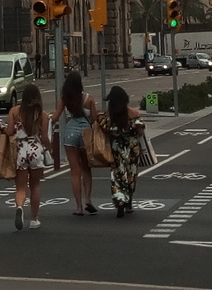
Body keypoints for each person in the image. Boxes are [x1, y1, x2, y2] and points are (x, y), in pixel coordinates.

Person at [5, 82, 52, 230]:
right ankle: (34, 219)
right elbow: (44, 137)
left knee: (20, 187)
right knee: (35, 185)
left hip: (20, 150)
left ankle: (19, 207)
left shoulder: (14, 111)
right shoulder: (43, 115)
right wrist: (50, 149)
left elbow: (10, 132)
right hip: (35, 150)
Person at [54, 70, 101, 217]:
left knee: (75, 172)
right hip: (85, 134)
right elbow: (94, 119)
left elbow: (56, 116)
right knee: (86, 169)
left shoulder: (65, 98)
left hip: (70, 133)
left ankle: (78, 207)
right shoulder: (89, 98)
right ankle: (88, 199)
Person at [101, 85, 149, 218]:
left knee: (118, 175)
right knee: (131, 174)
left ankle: (120, 201)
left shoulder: (110, 115)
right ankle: (129, 203)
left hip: (117, 148)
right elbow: (140, 131)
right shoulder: (133, 113)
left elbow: (105, 129)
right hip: (132, 148)